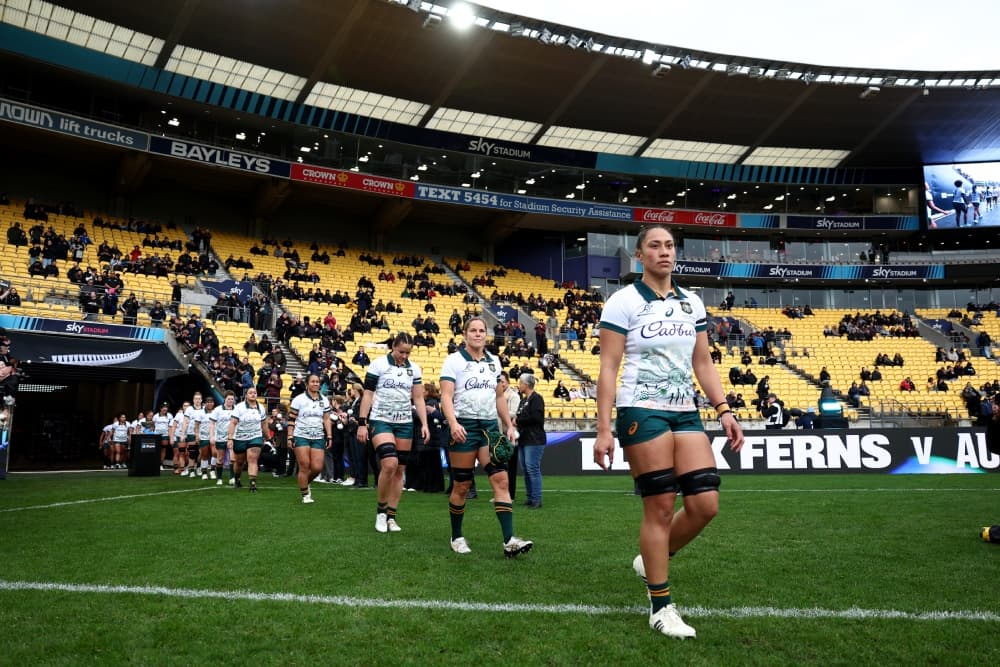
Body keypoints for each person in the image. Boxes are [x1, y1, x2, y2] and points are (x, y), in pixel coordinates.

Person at [593, 224, 744, 640]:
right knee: (659, 506)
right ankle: (661, 607)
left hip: (685, 410)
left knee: (706, 503)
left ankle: (653, 557)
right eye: (655, 246)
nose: (665, 252)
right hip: (642, 409)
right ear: (640, 255)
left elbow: (703, 362)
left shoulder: (691, 302)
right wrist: (603, 429)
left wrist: (724, 409)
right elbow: (608, 368)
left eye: (670, 245)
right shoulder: (623, 302)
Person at [440, 316, 533, 557]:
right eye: (473, 330)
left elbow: (499, 397)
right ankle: (457, 536)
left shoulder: (494, 362)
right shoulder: (453, 361)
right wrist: (453, 423)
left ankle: (509, 540)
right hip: (465, 427)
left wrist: (508, 425)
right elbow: (446, 397)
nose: (478, 334)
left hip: (489, 428)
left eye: (482, 330)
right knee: (461, 485)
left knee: (501, 481)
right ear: (465, 334)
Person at [356, 333, 429, 532]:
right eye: (401, 351)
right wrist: (362, 423)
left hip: (404, 423)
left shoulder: (414, 369)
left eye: (408, 353)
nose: (404, 356)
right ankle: (380, 512)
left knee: (399, 471)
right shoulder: (378, 365)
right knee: (389, 463)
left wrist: (424, 423)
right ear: (393, 347)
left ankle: (391, 516)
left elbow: (418, 398)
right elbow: (368, 394)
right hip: (381, 420)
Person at [287, 373, 333, 504]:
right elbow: (291, 419)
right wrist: (290, 436)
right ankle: (305, 495)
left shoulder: (324, 400)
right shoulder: (298, 399)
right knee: (304, 465)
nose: (316, 384)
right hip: (301, 435)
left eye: (317, 381)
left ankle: (305, 483)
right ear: (307, 384)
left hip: (318, 436)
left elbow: (326, 418)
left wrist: (329, 435)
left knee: (317, 467)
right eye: (313, 382)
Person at [226, 386, 268, 492]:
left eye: (255, 392)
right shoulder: (239, 407)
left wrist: (268, 437)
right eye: (250, 393)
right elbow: (233, 423)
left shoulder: (261, 408)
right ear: (246, 395)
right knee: (239, 462)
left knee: (252, 459)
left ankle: (252, 483)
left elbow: (264, 423)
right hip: (240, 438)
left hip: (255, 436)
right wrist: (230, 438)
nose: (253, 394)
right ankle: (237, 478)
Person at [514, 373, 545, 508]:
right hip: (524, 438)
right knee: (527, 469)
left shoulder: (537, 399)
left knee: (532, 469)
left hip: (534, 439)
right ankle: (531, 497)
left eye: (520, 383)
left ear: (526, 385)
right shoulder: (524, 400)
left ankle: (536, 499)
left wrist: (518, 421)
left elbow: (537, 418)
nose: (519, 385)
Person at [500, 371, 521, 500]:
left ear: (508, 382)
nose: (500, 384)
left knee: (510, 467)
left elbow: (513, 413)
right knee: (500, 467)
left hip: (510, 434)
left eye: (502, 381)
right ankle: (500, 493)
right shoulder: (496, 395)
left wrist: (501, 408)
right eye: (499, 381)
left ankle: (510, 495)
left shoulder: (513, 396)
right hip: (498, 434)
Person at [209, 391, 236, 485]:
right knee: (220, 458)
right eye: (229, 399)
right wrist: (212, 436)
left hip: (232, 437)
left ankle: (232, 477)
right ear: (225, 399)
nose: (231, 401)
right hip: (220, 437)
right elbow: (212, 423)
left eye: (232, 399)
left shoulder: (236, 410)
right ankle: (219, 478)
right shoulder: (218, 410)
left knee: (233, 458)